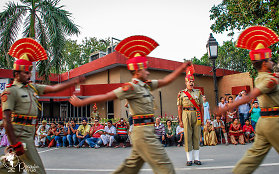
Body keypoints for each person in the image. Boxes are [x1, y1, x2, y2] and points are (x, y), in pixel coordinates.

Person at [69, 35, 190, 173]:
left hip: (145, 132)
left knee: (129, 168)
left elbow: (166, 81)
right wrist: (82, 102)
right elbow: (107, 96)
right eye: (145, 69)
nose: (148, 72)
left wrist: (181, 68)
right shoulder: (131, 87)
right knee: (165, 167)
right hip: (143, 133)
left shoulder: (147, 85)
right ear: (138, 71)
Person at [217, 26, 279, 173]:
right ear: (264, 63)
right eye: (270, 60)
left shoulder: (265, 77)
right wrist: (228, 107)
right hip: (275, 123)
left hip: (264, 123)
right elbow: (252, 95)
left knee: (252, 158)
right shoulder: (267, 80)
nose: (272, 62)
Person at [0, 38, 84, 173]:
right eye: (26, 72)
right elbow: (7, 120)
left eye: (29, 72)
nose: (29, 75)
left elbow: (54, 89)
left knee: (11, 169)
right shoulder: (10, 91)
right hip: (20, 135)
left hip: (29, 133)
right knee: (37, 170)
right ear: (16, 74)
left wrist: (74, 81)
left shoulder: (32, 88)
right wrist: (15, 143)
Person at [177, 65, 203, 166]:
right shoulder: (181, 93)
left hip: (196, 114)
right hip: (186, 114)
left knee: (196, 135)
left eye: (192, 81)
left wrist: (203, 119)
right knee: (187, 136)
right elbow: (179, 107)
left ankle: (196, 159)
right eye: (189, 81)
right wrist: (180, 120)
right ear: (186, 82)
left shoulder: (198, 92)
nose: (191, 83)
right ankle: (189, 159)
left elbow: (201, 107)